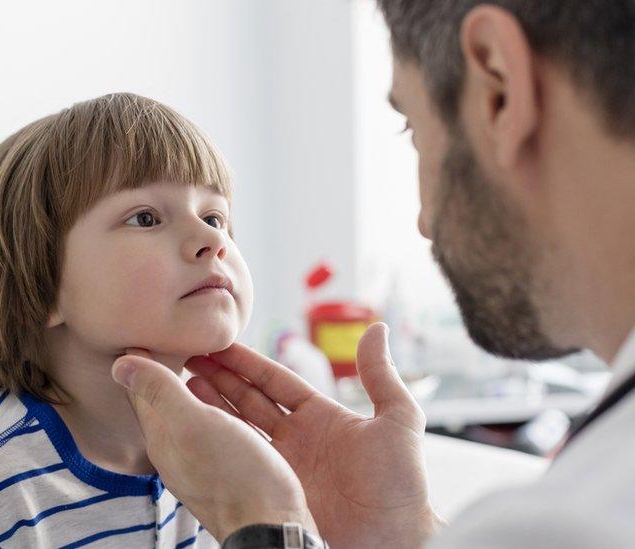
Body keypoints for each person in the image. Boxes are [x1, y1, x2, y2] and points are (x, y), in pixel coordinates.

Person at [111, 1, 635, 548]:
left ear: (498, 84)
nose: (424, 222)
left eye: (412, 128)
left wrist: (262, 521)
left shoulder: (570, 525)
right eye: (145, 218)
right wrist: (398, 530)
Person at [0, 92, 281, 548]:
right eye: (146, 218)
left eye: (215, 215)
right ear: (41, 284)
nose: (212, 239)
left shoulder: (237, 449)